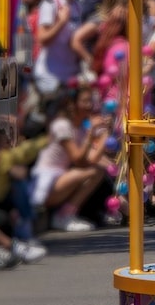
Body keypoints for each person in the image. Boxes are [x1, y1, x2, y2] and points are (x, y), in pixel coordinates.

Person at [31, 88, 110, 232]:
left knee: (98, 171)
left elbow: (91, 159)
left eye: (90, 101)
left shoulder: (79, 129)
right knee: (94, 171)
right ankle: (63, 216)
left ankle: (68, 213)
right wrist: (92, 134)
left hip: (60, 179)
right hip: (46, 183)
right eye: (85, 101)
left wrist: (106, 134)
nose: (89, 105)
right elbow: (78, 159)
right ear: (73, 104)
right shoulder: (62, 125)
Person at [31, 0, 82, 95]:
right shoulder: (51, 4)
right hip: (50, 75)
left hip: (70, 73)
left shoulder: (76, 6)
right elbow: (42, 39)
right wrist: (61, 22)